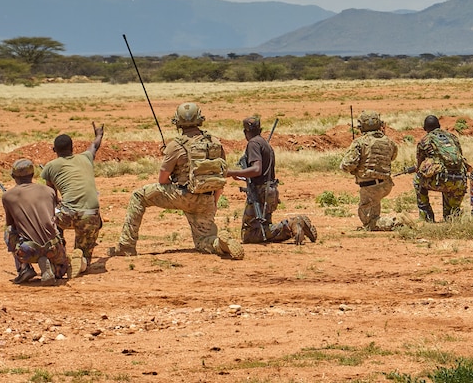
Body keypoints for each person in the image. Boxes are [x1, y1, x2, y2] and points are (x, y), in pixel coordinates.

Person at [105, 102, 243, 260]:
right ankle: (219, 244)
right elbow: (220, 176)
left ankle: (126, 246)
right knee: (202, 241)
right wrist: (213, 202)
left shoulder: (175, 146)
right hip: (207, 198)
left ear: (177, 121)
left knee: (138, 196)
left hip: (182, 195)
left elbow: (162, 180)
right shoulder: (215, 143)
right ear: (200, 119)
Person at [224, 114, 316, 245]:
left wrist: (232, 172)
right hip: (269, 190)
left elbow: (257, 170)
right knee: (263, 227)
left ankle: (292, 224)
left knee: (249, 235)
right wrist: (241, 175)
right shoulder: (263, 143)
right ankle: (296, 226)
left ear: (245, 132)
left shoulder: (253, 144)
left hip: (260, 193)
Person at [40, 124, 105, 277]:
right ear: (73, 147)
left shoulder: (50, 166)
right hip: (91, 216)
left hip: (67, 216)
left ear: (54, 150)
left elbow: (51, 197)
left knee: (52, 218)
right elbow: (94, 146)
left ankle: (60, 254)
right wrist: (99, 134)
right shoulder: (85, 157)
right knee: (84, 256)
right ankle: (81, 261)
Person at [3, 158, 69, 283]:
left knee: (8, 231)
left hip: (29, 251)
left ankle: (24, 268)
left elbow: (11, 224)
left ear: (13, 176)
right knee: (60, 271)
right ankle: (56, 268)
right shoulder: (49, 191)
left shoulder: (8, 196)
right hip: (53, 248)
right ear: (33, 174)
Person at [338, 110, 402, 230]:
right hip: (386, 184)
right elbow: (392, 157)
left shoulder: (359, 142)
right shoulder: (389, 141)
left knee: (368, 222)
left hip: (370, 186)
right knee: (374, 205)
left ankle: (396, 222)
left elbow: (347, 164)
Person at [411, 114, 469, 222]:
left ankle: (427, 217)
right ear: (439, 125)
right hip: (460, 181)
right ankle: (451, 216)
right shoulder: (453, 137)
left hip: (442, 180)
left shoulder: (425, 141)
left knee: (417, 180)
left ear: (425, 128)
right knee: (451, 212)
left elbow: (419, 167)